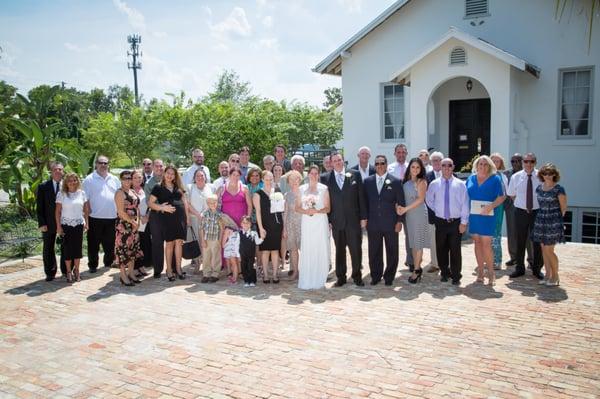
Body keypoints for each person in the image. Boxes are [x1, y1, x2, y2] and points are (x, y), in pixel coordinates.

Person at [323, 151, 367, 287]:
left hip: (353, 220)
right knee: (339, 250)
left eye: (339, 160)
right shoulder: (325, 178)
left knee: (356, 249)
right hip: (337, 221)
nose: (337, 162)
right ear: (331, 163)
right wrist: (328, 220)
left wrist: (363, 217)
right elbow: (326, 201)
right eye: (334, 160)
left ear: (343, 160)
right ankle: (341, 277)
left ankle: (357, 276)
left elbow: (361, 197)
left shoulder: (355, 174)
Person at [425, 158, 469, 286]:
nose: (446, 168)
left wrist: (464, 222)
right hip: (441, 222)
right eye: (443, 165)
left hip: (455, 222)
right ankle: (444, 272)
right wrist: (438, 211)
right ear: (440, 167)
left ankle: (456, 275)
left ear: (453, 167)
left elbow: (465, 204)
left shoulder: (460, 184)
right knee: (441, 249)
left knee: (455, 250)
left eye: (449, 165)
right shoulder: (434, 184)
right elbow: (428, 200)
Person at [363, 155, 404, 286]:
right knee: (374, 250)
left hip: (391, 223)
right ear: (374, 165)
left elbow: (401, 203)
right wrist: (364, 219)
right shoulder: (368, 181)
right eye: (377, 163)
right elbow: (364, 203)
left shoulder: (396, 181)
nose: (379, 166)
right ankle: (375, 275)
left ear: (386, 165)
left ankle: (389, 276)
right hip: (373, 223)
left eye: (382, 163)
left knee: (392, 250)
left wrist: (399, 221)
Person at [466, 156, 505, 286]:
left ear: (489, 166)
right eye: (480, 164)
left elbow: (502, 197)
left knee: (486, 244)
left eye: (485, 164)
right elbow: (465, 196)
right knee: (477, 243)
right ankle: (481, 273)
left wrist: (491, 206)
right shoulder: (470, 178)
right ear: (476, 166)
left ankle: (491, 274)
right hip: (474, 216)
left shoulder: (495, 179)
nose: (482, 166)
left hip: (488, 215)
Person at [506, 152, 544, 280]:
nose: (528, 164)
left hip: (536, 212)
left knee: (537, 242)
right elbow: (511, 194)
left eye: (531, 161)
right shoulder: (516, 177)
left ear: (535, 163)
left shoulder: (541, 176)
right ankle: (519, 268)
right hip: (521, 211)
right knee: (520, 241)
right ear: (523, 163)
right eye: (526, 161)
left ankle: (537, 269)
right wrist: (522, 202)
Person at [148, 166, 189, 282]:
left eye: (172, 174)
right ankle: (169, 270)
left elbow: (185, 202)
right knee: (170, 244)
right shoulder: (158, 187)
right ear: (164, 174)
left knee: (179, 244)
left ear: (175, 175)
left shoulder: (178, 187)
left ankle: (178, 269)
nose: (170, 175)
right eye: (168, 173)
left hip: (180, 219)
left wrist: (187, 219)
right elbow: (150, 203)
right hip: (167, 220)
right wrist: (162, 207)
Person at [82, 155, 120, 273]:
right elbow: (85, 200)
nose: (103, 165)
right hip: (95, 217)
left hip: (112, 217)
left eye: (105, 163)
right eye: (101, 163)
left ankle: (108, 262)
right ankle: (93, 265)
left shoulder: (114, 179)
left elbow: (119, 196)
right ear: (96, 164)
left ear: (108, 165)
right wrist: (86, 218)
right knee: (93, 244)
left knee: (110, 243)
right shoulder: (89, 179)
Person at [296, 165, 331, 289]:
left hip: (320, 222)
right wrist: (307, 212)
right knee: (308, 247)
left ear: (319, 175)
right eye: (312, 173)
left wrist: (316, 211)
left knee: (319, 247)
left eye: (316, 173)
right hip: (307, 222)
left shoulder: (324, 189)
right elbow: (297, 207)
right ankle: (307, 276)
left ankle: (320, 276)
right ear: (308, 174)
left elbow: (328, 208)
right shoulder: (301, 189)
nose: (314, 175)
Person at [532, 163, 567, 287]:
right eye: (545, 173)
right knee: (543, 249)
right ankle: (547, 275)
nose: (547, 176)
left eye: (550, 173)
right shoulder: (539, 188)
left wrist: (559, 223)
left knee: (549, 249)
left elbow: (563, 208)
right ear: (541, 174)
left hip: (553, 220)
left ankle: (555, 275)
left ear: (554, 175)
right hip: (541, 219)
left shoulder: (559, 189)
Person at [397, 158, 431, 284]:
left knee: (418, 243)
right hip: (408, 215)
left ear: (421, 169)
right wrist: (399, 208)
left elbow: (421, 199)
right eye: (413, 167)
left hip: (418, 214)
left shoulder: (422, 182)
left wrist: (405, 209)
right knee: (412, 242)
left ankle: (417, 270)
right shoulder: (405, 182)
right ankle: (417, 267)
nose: (415, 169)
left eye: (418, 167)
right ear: (409, 168)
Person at [55, 173, 89, 283]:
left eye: (74, 180)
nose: (72, 182)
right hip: (66, 225)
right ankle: (69, 272)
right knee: (67, 250)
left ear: (77, 181)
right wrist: (59, 227)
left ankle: (77, 271)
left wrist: (86, 223)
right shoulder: (62, 194)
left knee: (77, 250)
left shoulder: (82, 193)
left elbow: (86, 211)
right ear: (66, 182)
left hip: (79, 225)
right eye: (70, 180)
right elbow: (57, 212)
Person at [36, 161, 66, 281]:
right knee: (48, 248)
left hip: (64, 222)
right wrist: (42, 223)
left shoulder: (67, 186)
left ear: (63, 172)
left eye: (60, 169)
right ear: (51, 172)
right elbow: (39, 207)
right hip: (48, 224)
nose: (58, 171)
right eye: (55, 169)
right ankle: (50, 272)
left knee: (66, 247)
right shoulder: (43, 187)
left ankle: (66, 270)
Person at [254, 170, 284, 283]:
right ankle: (266, 275)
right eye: (266, 179)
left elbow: (281, 210)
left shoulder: (277, 192)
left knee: (275, 250)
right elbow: (257, 212)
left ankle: (275, 274)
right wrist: (261, 228)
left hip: (276, 225)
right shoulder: (258, 194)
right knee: (265, 251)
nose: (269, 181)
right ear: (262, 180)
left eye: (271, 179)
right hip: (264, 225)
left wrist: (283, 226)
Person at [387, 143, 413, 270]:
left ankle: (411, 260)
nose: (401, 155)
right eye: (398, 152)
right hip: (394, 206)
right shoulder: (389, 168)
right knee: (393, 235)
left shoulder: (412, 167)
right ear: (395, 154)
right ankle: (392, 262)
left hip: (409, 205)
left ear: (406, 153)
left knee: (410, 234)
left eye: (403, 152)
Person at [114, 170, 143, 286]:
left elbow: (137, 208)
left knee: (133, 250)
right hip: (124, 226)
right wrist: (132, 222)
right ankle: (123, 275)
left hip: (134, 225)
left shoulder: (132, 191)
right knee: (123, 251)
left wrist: (138, 222)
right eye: (125, 178)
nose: (127, 180)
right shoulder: (119, 193)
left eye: (129, 178)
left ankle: (131, 273)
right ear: (121, 180)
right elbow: (120, 212)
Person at [186, 169, 215, 272]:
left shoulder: (211, 187)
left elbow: (214, 201)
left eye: (202, 175)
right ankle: (197, 262)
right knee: (197, 241)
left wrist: (205, 213)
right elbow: (187, 204)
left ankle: (208, 264)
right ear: (194, 177)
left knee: (207, 241)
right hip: (194, 218)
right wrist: (198, 214)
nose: (200, 177)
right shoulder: (190, 187)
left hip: (208, 218)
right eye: (197, 176)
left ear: (205, 177)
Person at [144, 159, 168, 278]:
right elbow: (149, 202)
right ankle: (158, 269)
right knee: (157, 243)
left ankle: (172, 268)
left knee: (171, 242)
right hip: (156, 216)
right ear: (153, 168)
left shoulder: (169, 180)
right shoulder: (149, 184)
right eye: (157, 166)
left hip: (170, 215)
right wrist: (161, 207)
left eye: (161, 166)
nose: (159, 168)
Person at [490, 153, 509, 269]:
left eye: (497, 161)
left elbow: (505, 194)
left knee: (496, 233)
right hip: (484, 206)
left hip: (498, 207)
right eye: (493, 161)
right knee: (485, 233)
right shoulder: (483, 174)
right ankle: (487, 258)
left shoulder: (503, 177)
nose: (495, 163)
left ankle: (497, 260)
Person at [425, 151, 443, 274]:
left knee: (446, 239)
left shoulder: (449, 173)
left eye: (438, 160)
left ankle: (445, 263)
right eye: (434, 160)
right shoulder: (427, 176)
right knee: (433, 239)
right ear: (431, 162)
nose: (436, 162)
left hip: (447, 214)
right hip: (432, 213)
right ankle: (435, 263)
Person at [199, 194, 225, 283]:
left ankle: (215, 273)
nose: (213, 204)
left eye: (214, 202)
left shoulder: (220, 214)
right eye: (210, 203)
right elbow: (202, 228)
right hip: (206, 239)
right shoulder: (205, 214)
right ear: (207, 203)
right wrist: (202, 240)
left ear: (217, 203)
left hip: (216, 239)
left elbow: (222, 229)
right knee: (206, 257)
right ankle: (206, 273)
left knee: (216, 257)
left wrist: (220, 240)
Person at [284, 170, 303, 279]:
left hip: (303, 224)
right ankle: (295, 271)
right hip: (291, 225)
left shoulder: (304, 192)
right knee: (293, 250)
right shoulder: (287, 195)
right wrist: (284, 228)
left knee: (305, 249)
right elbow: (285, 213)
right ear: (288, 182)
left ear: (299, 180)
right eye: (291, 179)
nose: (294, 181)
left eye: (296, 178)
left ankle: (306, 271)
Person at [132, 170, 151, 277]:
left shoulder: (144, 191)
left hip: (145, 222)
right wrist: (139, 217)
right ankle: (134, 267)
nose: (138, 180)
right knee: (135, 245)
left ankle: (141, 266)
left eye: (140, 177)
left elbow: (149, 205)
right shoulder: (129, 192)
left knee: (143, 244)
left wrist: (147, 216)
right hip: (134, 222)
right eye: (135, 177)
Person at [239, 215, 264, 287]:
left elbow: (257, 242)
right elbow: (236, 245)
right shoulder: (239, 233)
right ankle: (246, 281)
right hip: (242, 254)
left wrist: (262, 238)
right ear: (241, 224)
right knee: (244, 267)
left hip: (251, 254)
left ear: (250, 224)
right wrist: (238, 255)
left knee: (251, 267)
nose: (245, 224)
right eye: (243, 223)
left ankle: (252, 280)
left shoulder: (254, 233)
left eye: (247, 223)